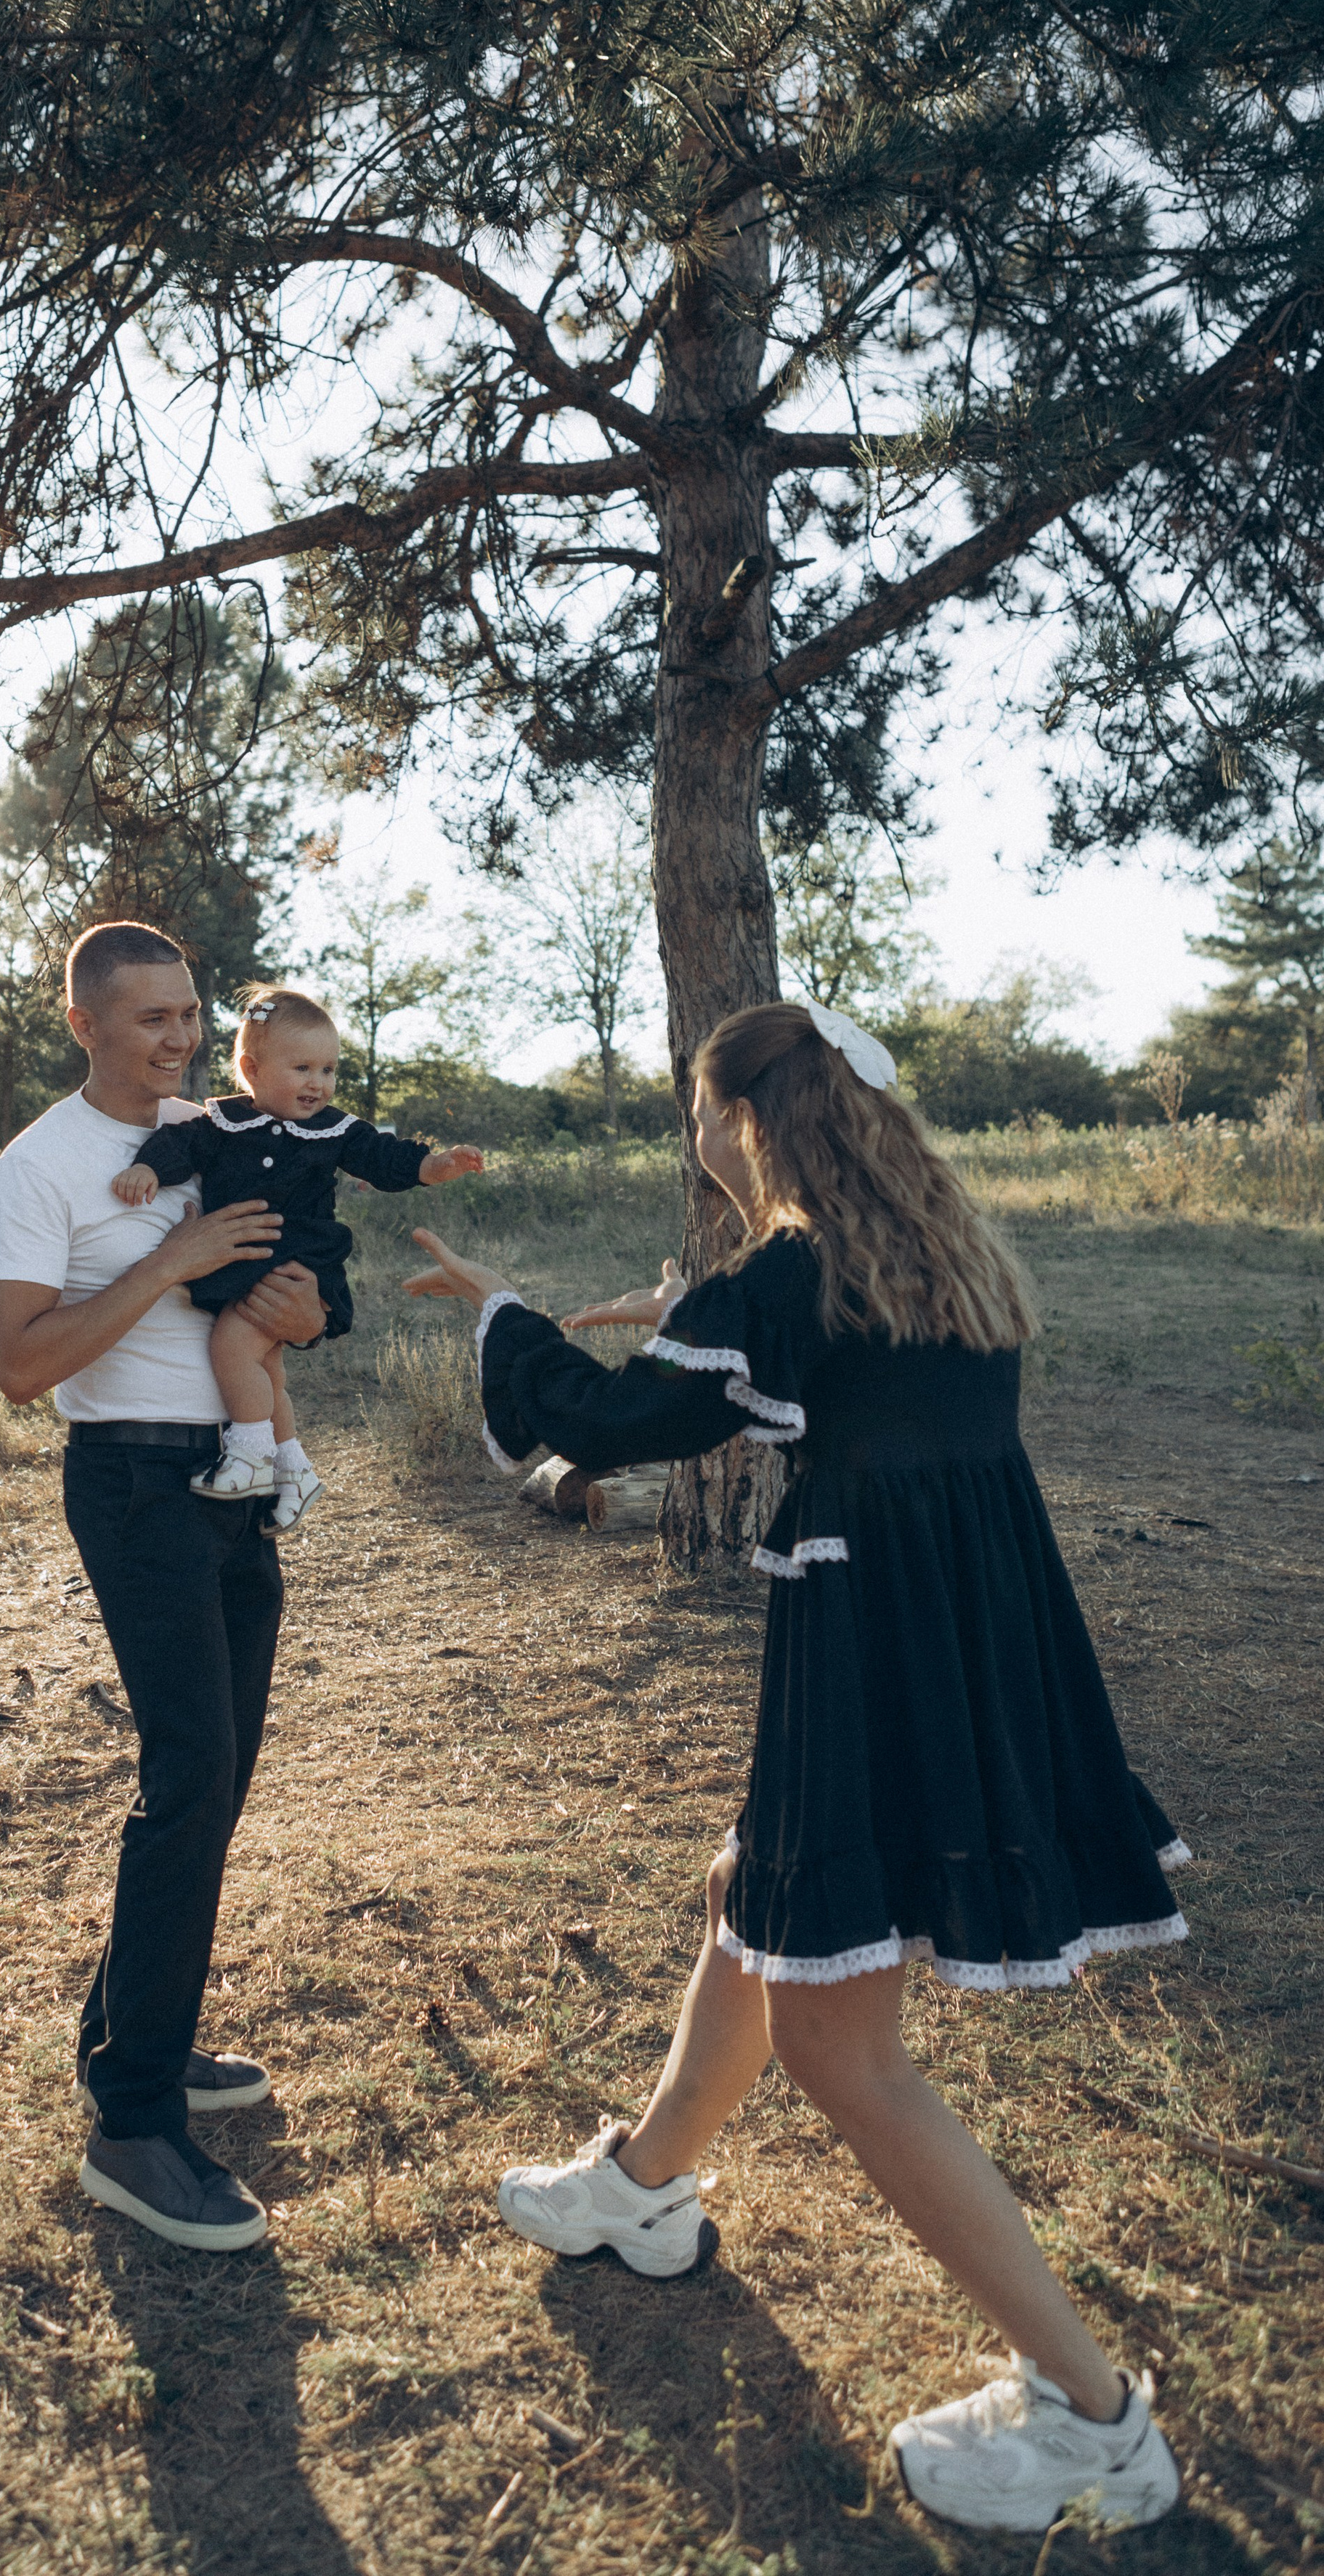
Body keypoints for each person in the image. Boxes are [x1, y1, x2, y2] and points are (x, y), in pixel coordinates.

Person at [404, 997, 1186, 2536]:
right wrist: (692, 1310)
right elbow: (784, 1361)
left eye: (696, 1116)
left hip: (877, 1646)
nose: (692, 1141)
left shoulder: (787, 1269)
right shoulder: (929, 1245)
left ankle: (1092, 2421)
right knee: (756, 1889)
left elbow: (623, 1428)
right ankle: (638, 2185)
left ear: (736, 1120)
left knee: (843, 2051)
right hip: (964, 1642)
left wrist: (502, 1312)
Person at [0, 921, 329, 2254]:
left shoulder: (222, 1132)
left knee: (220, 1772)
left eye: (189, 1016)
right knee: (189, 1773)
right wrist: (167, 1263)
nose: (179, 1040)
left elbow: (273, 1289)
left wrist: (290, 1310)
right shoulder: (37, 1169)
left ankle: (140, 2039)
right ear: (86, 1025)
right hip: (132, 1485)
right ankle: (132, 2125)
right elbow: (22, 1369)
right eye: (151, 1021)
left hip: (231, 1480)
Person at [113, 984, 484, 1528]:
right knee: (266, 1370)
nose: (318, 1083)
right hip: (245, 1267)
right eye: (303, 1068)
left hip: (297, 1268)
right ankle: (295, 1470)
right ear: (252, 1068)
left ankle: (250, 1457)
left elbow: (381, 1158)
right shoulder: (221, 1124)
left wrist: (434, 1166)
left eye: (329, 1070)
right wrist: (148, 1168)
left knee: (233, 1347)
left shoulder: (334, 1131)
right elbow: (179, 1146)